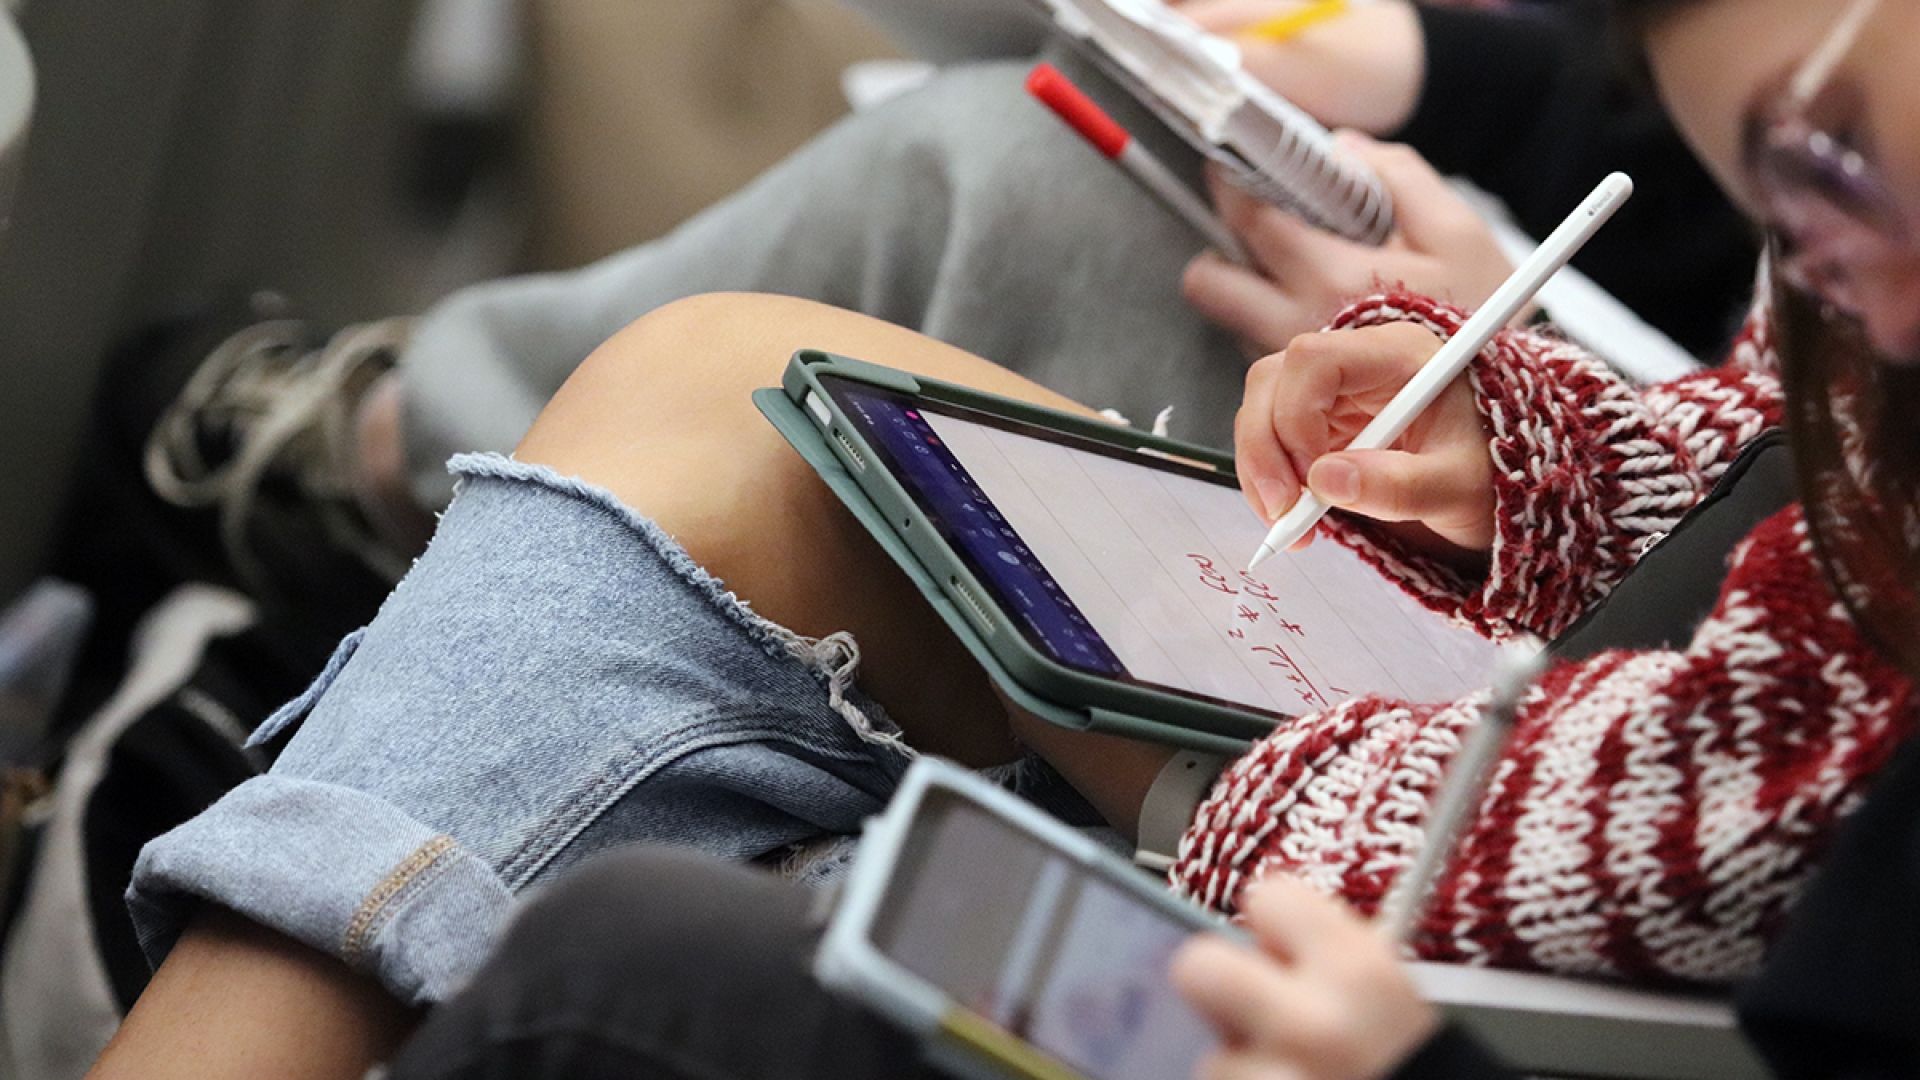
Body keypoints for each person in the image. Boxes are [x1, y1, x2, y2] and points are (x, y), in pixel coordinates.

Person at [84, 0, 1920, 1074]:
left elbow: (1744, 836)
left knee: (638, 944)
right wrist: (1521, 450)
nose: (1808, 249)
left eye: (1819, 166)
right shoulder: (1867, 270)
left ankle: (338, 577)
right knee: (744, 385)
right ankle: (359, 529)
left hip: (1433, 937)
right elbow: (1776, 453)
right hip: (1459, 754)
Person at [85, 0, 1751, 677]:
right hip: (1638, 411)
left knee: (1011, 184)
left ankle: (382, 461)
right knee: (1078, 132)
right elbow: (1733, 223)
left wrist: (1533, 393)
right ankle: (412, 461)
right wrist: (1441, 71)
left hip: (1588, 600)